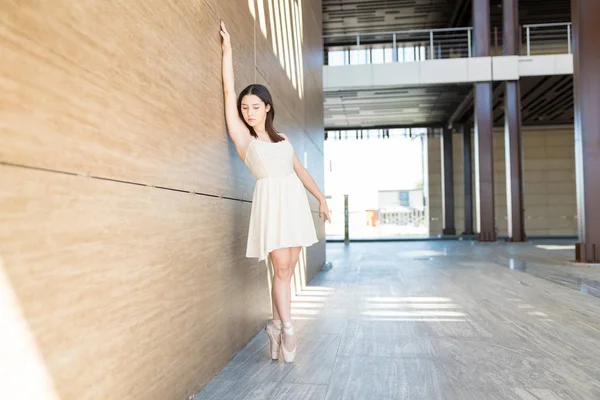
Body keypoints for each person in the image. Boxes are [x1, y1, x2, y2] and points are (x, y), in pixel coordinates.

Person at [219, 21, 330, 363]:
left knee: (287, 269)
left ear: (267, 108)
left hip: (294, 204)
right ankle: (289, 328)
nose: (248, 113)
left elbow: (300, 171)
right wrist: (228, 51)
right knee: (281, 268)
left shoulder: (283, 140)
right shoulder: (244, 140)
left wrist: (322, 199)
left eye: (255, 107)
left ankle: (275, 326)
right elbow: (227, 91)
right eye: (244, 108)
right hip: (270, 205)